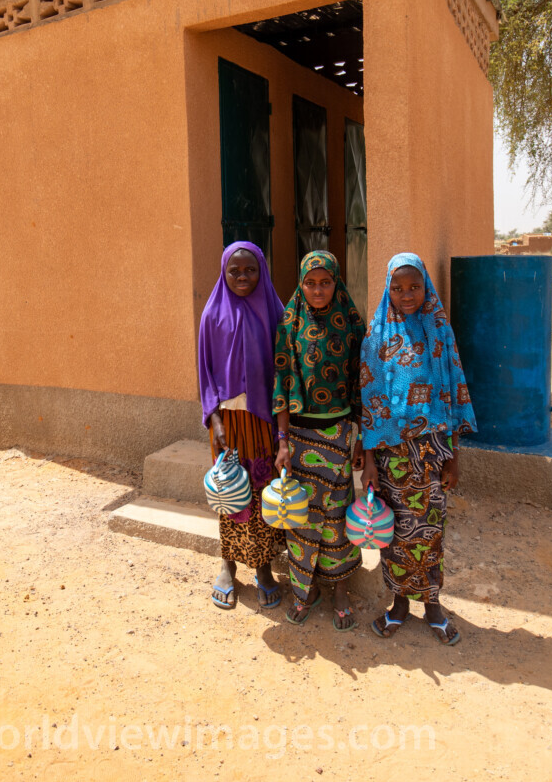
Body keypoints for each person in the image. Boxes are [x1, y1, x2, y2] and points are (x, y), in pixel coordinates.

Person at [358, 253, 476, 646]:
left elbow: (454, 392)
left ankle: (433, 604)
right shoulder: (375, 336)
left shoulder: (439, 330)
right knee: (394, 532)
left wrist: (454, 457)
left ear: (426, 287)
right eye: (398, 287)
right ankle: (398, 603)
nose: (406, 294)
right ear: (387, 289)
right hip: (391, 456)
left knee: (430, 532)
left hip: (432, 453)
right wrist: (370, 460)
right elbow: (370, 400)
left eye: (414, 287)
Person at [272, 250, 365, 630]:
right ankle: (303, 591)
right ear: (301, 283)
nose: (317, 289)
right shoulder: (290, 322)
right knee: (301, 518)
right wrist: (282, 442)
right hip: (299, 436)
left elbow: (364, 384)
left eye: (325, 282)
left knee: (337, 517)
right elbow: (280, 383)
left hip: (339, 435)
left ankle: (340, 591)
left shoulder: (351, 325)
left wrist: (363, 440)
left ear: (336, 282)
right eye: (310, 282)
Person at [198, 241, 286, 611]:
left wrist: (282, 429)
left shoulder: (276, 313)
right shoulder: (212, 315)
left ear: (262, 270)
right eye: (234, 271)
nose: (242, 277)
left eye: (250, 270)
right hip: (228, 423)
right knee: (231, 493)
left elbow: (284, 369)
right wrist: (215, 421)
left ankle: (263, 567)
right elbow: (205, 372)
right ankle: (227, 565)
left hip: (265, 420)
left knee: (262, 491)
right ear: (223, 272)